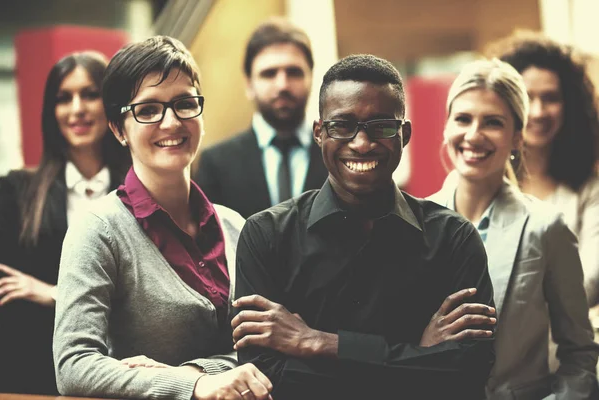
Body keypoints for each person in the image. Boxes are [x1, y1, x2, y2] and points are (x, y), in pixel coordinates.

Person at [230, 54, 497, 399]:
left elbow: (468, 373)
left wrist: (317, 343)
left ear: (405, 134)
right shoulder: (265, 236)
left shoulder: (454, 238)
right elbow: (267, 383)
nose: (362, 143)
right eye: (342, 125)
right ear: (318, 132)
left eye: (381, 126)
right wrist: (416, 353)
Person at [53, 36, 272, 400]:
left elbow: (264, 350)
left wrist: (193, 372)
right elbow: (74, 366)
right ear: (118, 129)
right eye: (148, 110)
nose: (171, 122)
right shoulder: (98, 230)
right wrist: (195, 385)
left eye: (185, 104)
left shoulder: (236, 226)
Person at [429, 58, 599, 399]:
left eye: (493, 122)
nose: (474, 135)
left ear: (518, 138)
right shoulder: (413, 221)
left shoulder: (545, 227)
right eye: (463, 119)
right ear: (446, 127)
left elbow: (579, 354)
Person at [0, 51, 129, 395]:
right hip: (34, 376)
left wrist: (55, 294)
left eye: (90, 94)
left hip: (128, 372)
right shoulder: (15, 193)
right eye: (63, 98)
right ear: (50, 111)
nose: (77, 109)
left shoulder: (139, 190)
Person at [486, 31, 599, 307]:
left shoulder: (589, 189)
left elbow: (589, 280)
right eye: (526, 97)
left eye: (550, 98)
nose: (537, 111)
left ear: (569, 105)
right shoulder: (482, 183)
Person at [194, 17, 327, 219]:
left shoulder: (337, 153)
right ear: (249, 84)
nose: (282, 85)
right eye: (269, 74)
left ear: (311, 77)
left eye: (294, 72)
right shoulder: (215, 164)